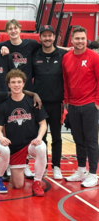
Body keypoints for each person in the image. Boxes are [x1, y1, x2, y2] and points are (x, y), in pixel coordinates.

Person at [0, 69, 48, 196]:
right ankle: (15, 172)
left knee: (42, 148)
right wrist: (1, 137)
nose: (16, 85)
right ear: (9, 84)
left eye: (19, 82)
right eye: (13, 82)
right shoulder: (4, 105)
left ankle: (37, 182)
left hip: (31, 143)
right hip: (15, 147)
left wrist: (39, 137)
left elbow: (43, 124)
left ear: (24, 84)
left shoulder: (33, 102)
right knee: (18, 185)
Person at [62, 27, 99, 187]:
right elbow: (66, 81)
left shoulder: (94, 57)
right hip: (74, 106)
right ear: (71, 40)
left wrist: (97, 102)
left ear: (86, 40)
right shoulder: (66, 58)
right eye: (77, 38)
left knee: (91, 140)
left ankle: (93, 174)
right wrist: (67, 102)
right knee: (78, 140)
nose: (80, 41)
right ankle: (81, 170)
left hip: (90, 105)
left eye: (83, 38)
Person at [32, 25, 67, 179]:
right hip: (39, 103)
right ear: (40, 38)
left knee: (57, 136)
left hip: (56, 102)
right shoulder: (34, 54)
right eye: (44, 35)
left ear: (54, 37)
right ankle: (43, 166)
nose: (47, 38)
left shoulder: (63, 55)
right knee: (42, 137)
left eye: (49, 35)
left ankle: (57, 166)